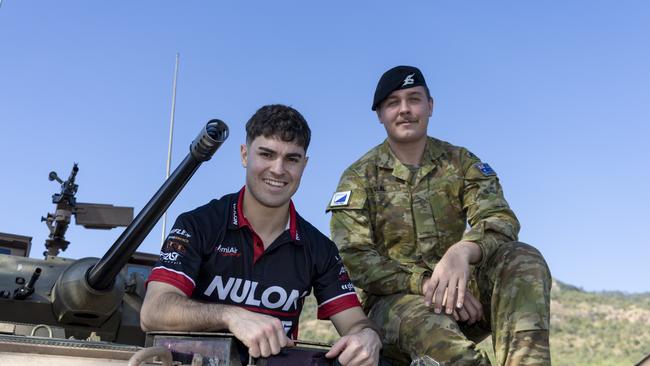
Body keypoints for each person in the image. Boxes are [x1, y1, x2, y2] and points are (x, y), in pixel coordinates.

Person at [327, 66, 551, 366]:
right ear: (380, 114)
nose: (405, 110)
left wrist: (463, 252)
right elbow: (354, 258)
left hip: (462, 300)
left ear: (430, 106)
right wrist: (429, 285)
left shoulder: (460, 162)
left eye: (414, 99)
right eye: (393, 102)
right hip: (393, 308)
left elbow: (499, 219)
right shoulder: (359, 177)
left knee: (523, 258)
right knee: (436, 332)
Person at [141, 104, 382, 366]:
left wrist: (367, 336)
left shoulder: (319, 248)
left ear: (305, 165)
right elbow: (154, 310)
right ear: (245, 155)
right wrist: (232, 317)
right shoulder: (198, 224)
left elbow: (354, 322)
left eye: (292, 159)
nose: (278, 169)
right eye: (266, 154)